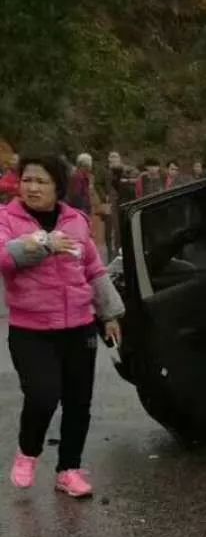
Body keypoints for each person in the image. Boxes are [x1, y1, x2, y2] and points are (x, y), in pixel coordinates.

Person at [0, 156, 124, 498]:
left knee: (78, 401)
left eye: (41, 181)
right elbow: (4, 257)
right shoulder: (7, 219)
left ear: (58, 187)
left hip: (79, 326)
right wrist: (43, 244)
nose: (32, 187)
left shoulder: (76, 221)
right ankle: (28, 451)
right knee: (42, 395)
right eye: (27, 180)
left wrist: (109, 314)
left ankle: (68, 469)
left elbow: (94, 270)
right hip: (32, 330)